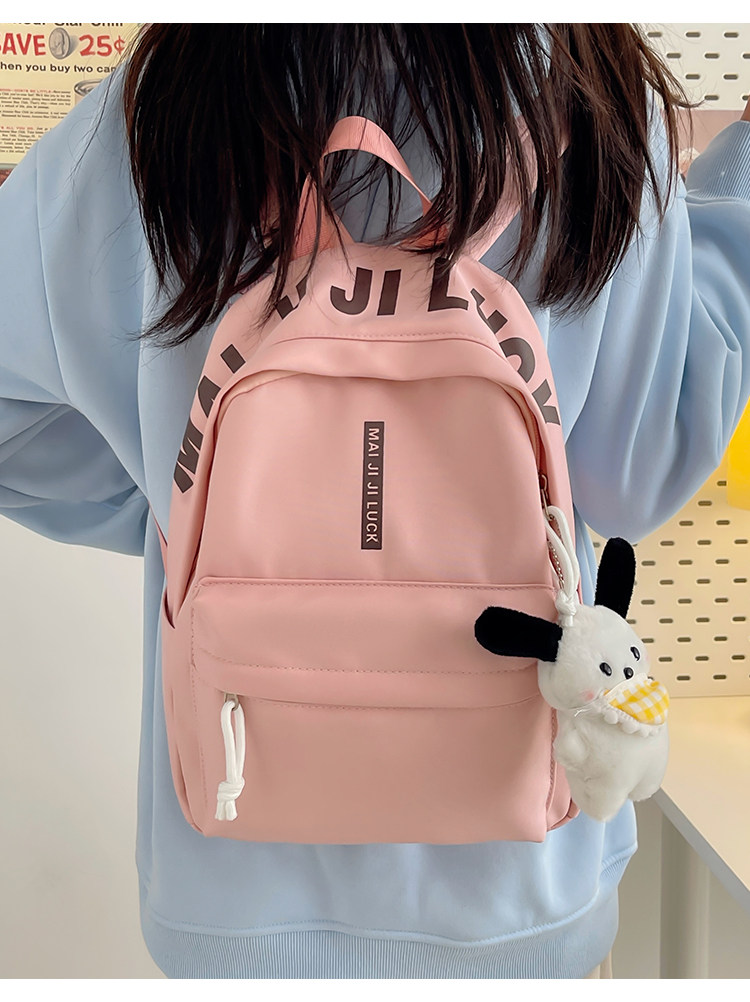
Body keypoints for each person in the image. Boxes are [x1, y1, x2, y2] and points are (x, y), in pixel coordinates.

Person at [1, 24, 750, 980]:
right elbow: (637, 476)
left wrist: (181, 510)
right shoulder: (589, 96)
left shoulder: (158, 109)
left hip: (229, 890)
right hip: (520, 896)